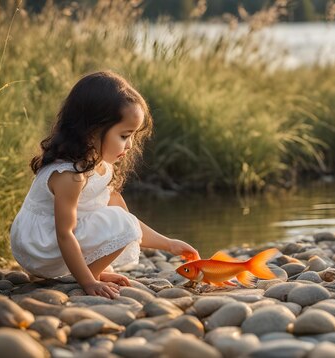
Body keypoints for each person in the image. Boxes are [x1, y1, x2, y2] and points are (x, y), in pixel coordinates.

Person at [10, 70, 199, 299]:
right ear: (92, 131)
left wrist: (168, 244)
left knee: (120, 219)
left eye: (132, 136)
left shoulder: (101, 167)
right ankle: (88, 273)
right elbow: (65, 234)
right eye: (124, 136)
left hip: (52, 245)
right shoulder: (70, 175)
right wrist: (88, 282)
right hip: (38, 246)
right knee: (120, 222)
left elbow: (128, 223)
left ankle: (89, 271)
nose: (129, 145)